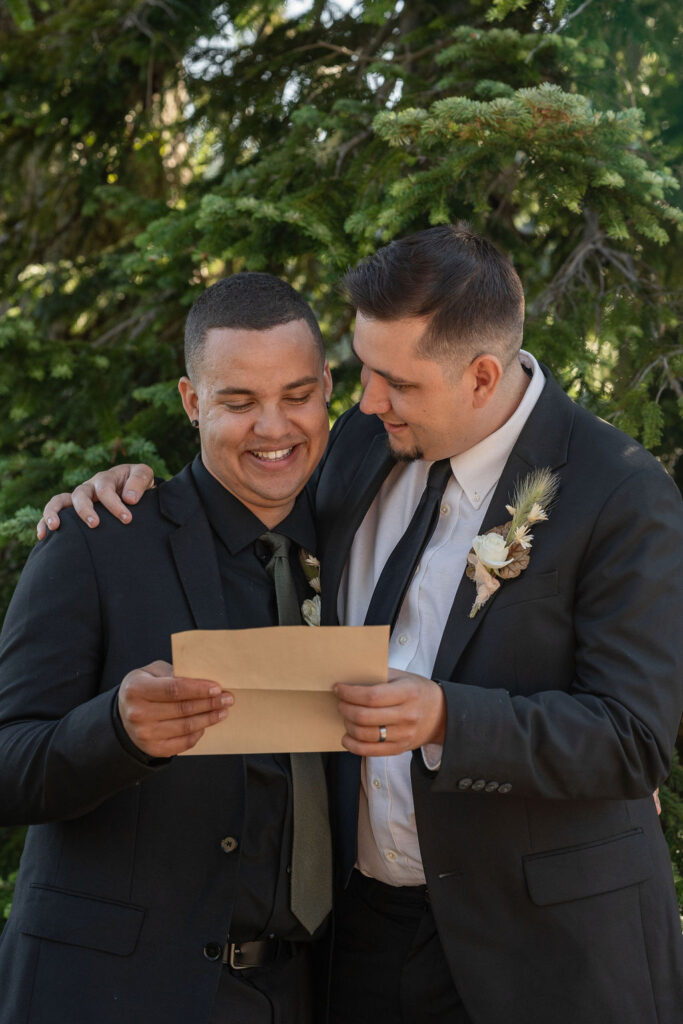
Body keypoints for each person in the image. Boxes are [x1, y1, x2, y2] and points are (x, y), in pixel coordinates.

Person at [39, 225, 683, 1024]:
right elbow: (242, 501)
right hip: (363, 945)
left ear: (480, 376)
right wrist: (127, 489)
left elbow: (634, 738)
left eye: (393, 381)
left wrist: (448, 716)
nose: (366, 400)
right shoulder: (359, 447)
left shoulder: (618, 490)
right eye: (363, 372)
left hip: (545, 949)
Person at [0, 272, 334, 1024]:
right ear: (191, 402)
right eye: (238, 402)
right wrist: (115, 733)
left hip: (305, 992)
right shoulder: (98, 540)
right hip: (115, 994)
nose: (273, 427)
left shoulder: (359, 540)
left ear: (327, 388)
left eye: (296, 395)